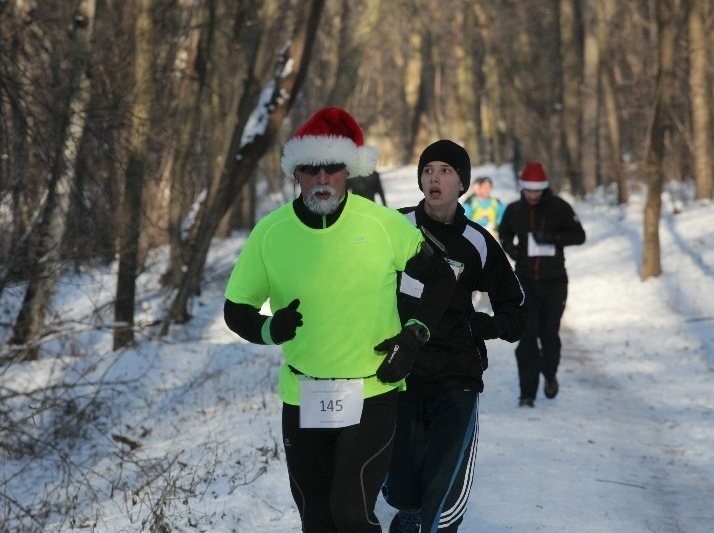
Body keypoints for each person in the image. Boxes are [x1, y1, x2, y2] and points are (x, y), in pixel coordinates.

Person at [223, 107, 456, 532]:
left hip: (372, 390)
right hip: (303, 393)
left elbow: (441, 277)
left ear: (347, 172)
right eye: (311, 169)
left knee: (350, 511)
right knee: (317, 518)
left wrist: (413, 336)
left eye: (332, 168)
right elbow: (236, 310)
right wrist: (267, 329)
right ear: (296, 174)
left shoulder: (384, 225)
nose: (323, 178)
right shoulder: (270, 234)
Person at [382, 140, 525, 533]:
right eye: (428, 170)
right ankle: (410, 518)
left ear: (461, 182)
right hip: (400, 373)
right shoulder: (396, 228)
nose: (435, 178)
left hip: (456, 376)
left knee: (443, 489)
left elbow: (515, 306)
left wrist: (489, 325)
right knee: (403, 489)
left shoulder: (477, 241)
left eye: (445, 170)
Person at [498, 161, 586, 407]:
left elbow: (579, 235)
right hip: (525, 281)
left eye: (537, 191)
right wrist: (511, 249)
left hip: (554, 282)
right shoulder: (514, 210)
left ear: (544, 188)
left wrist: (552, 238)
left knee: (549, 336)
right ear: (523, 189)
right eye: (529, 190)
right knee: (526, 339)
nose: (533, 195)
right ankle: (527, 394)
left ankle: (549, 374)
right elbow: (503, 232)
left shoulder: (559, 207)